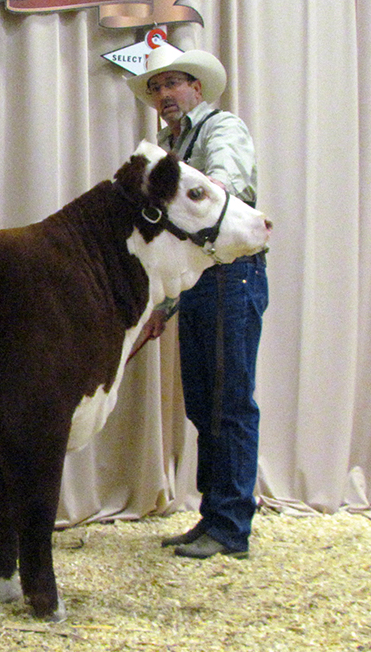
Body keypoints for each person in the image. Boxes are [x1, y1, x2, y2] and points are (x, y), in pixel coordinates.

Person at [127, 47, 268, 559]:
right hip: (200, 278)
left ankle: (231, 527)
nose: (164, 95)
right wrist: (163, 304)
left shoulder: (221, 128)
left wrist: (206, 194)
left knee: (229, 401)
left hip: (233, 273)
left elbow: (222, 187)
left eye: (174, 84)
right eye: (157, 88)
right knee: (205, 401)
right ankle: (215, 516)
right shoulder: (168, 146)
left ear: (197, 89)